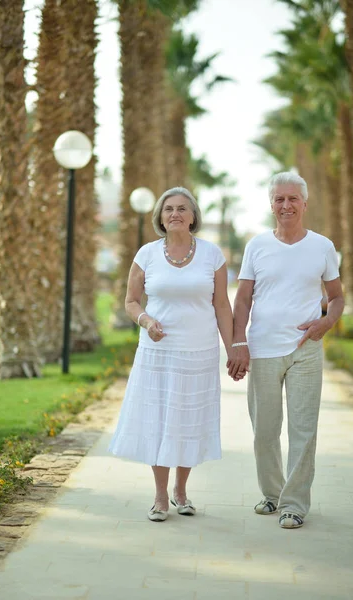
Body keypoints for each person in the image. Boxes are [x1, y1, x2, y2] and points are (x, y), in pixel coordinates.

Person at [109, 186, 234, 522]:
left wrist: (233, 346)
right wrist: (146, 320)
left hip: (199, 351)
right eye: (169, 209)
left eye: (182, 208)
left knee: (188, 419)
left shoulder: (212, 255)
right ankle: (161, 495)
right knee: (160, 419)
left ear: (193, 216)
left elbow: (221, 305)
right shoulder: (146, 254)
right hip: (157, 351)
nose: (175, 214)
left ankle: (182, 490)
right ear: (160, 218)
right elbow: (131, 301)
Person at [227, 172, 344, 529]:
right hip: (262, 349)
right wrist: (239, 342)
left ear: (305, 204)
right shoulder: (257, 246)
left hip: (305, 350)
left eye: (293, 199)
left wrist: (324, 324)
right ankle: (273, 494)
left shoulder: (322, 246)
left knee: (303, 429)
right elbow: (243, 298)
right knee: (264, 430)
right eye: (279, 199)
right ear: (271, 205)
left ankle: (294, 504)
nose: (286, 205)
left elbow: (337, 297)